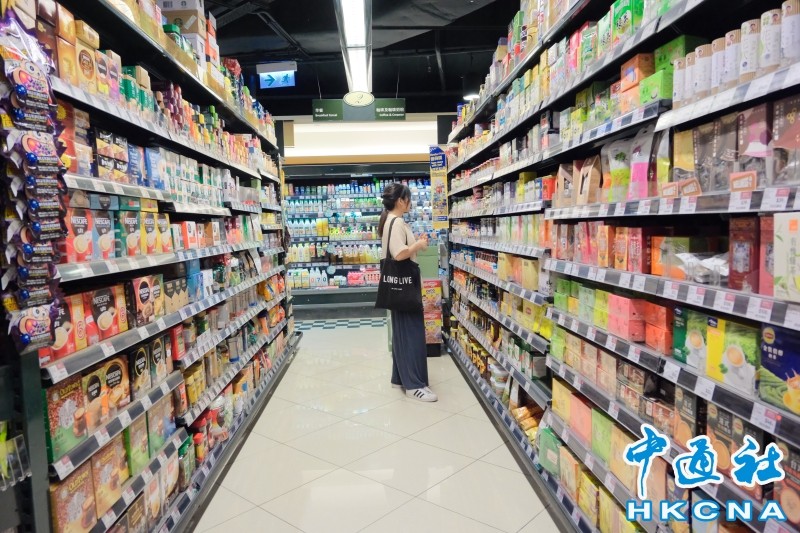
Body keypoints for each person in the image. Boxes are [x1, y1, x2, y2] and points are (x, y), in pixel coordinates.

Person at [378, 183, 438, 402]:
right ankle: (414, 385)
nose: (410, 202)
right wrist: (418, 245)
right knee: (412, 333)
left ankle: (400, 378)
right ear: (400, 201)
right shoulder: (396, 222)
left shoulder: (390, 220)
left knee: (402, 332)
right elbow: (399, 254)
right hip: (405, 286)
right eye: (408, 198)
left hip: (398, 287)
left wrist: (416, 243)